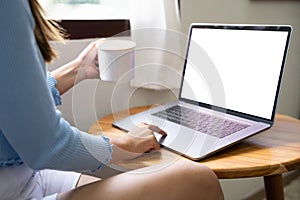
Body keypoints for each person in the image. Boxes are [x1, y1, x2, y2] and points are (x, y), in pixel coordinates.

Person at [0, 0, 224, 200]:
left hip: (25, 174)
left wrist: (76, 69)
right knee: (198, 179)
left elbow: (15, 101)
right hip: (12, 184)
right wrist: (128, 143)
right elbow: (49, 147)